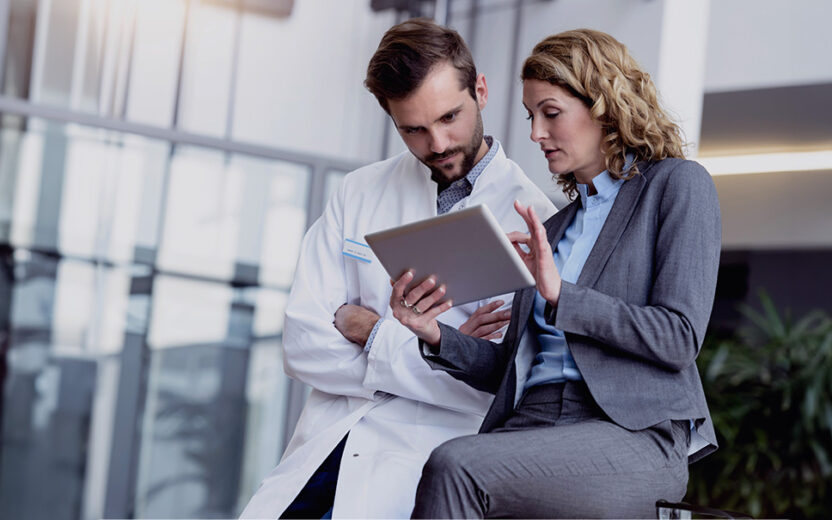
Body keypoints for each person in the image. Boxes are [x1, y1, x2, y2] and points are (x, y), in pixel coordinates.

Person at [390, 28, 722, 518]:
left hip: (630, 433)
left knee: (456, 465)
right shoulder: (555, 225)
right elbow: (512, 369)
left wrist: (561, 295)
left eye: (551, 113)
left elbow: (679, 337)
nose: (534, 134)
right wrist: (433, 333)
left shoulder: (675, 185)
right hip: (532, 421)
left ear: (605, 105)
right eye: (530, 116)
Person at [239, 18, 555, 519]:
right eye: (413, 129)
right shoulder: (359, 192)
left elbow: (497, 389)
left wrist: (367, 328)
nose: (438, 143)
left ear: (481, 90)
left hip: (418, 469)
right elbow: (301, 344)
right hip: (324, 449)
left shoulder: (537, 221)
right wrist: (442, 350)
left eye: (450, 116)